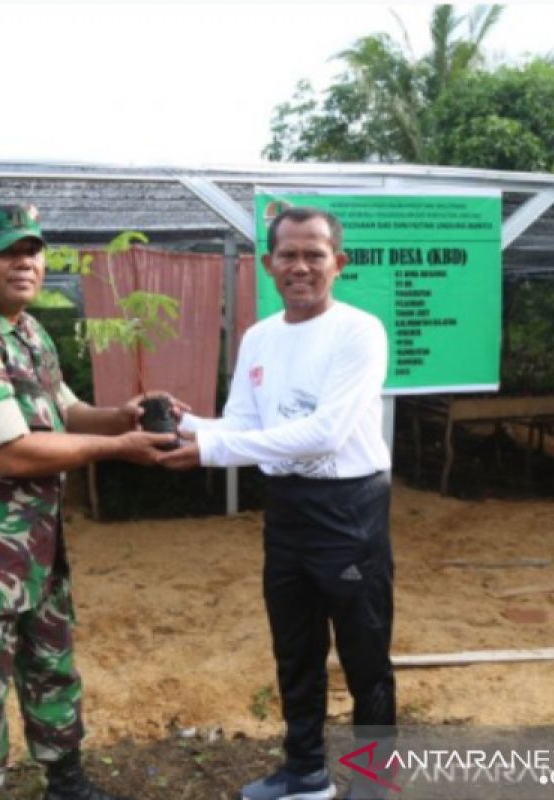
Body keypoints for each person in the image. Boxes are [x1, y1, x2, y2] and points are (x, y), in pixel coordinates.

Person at [0, 204, 175, 800]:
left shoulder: (27, 331)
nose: (25, 262)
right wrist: (119, 448)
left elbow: (64, 409)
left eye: (33, 251)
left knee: (51, 666)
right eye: (7, 251)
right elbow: (9, 452)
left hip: (34, 547)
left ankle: (67, 781)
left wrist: (119, 417)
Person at [160, 207, 394, 800]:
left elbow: (325, 433)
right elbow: (240, 422)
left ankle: (374, 782)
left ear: (338, 264)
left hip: (349, 511)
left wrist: (211, 448)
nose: (300, 266)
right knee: (296, 648)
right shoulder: (259, 337)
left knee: (364, 654)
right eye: (287, 254)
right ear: (268, 265)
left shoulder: (360, 331)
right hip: (287, 511)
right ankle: (305, 770)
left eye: (314, 254)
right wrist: (184, 424)